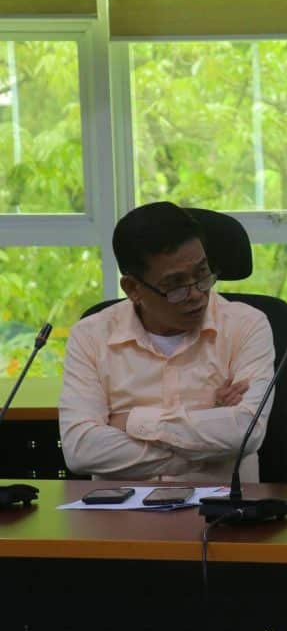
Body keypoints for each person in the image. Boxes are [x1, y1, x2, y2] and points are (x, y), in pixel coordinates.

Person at [59, 201, 275, 482]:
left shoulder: (246, 325)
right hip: (123, 516)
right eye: (175, 285)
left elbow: (247, 430)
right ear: (133, 288)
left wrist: (133, 422)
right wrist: (208, 451)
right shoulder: (91, 336)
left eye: (202, 274)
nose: (196, 294)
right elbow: (81, 449)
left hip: (222, 513)